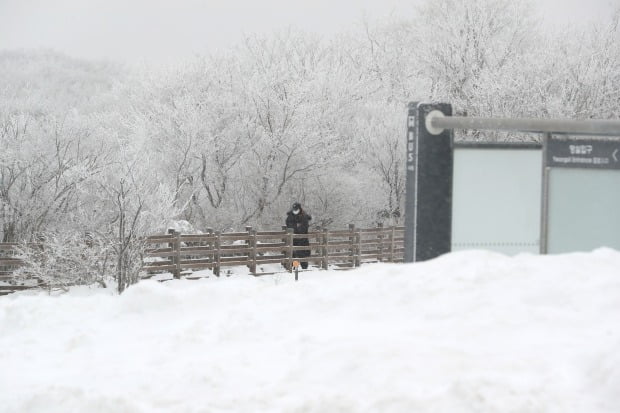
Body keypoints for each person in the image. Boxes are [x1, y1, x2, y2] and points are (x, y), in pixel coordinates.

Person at [285, 202, 312, 269]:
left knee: (303, 254)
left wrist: (297, 228)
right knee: (293, 254)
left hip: (303, 239)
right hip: (293, 239)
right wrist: (295, 228)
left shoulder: (304, 216)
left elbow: (304, 227)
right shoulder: (290, 216)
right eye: (294, 209)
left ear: (299, 209)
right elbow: (289, 225)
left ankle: (304, 269)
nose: (295, 211)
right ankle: (294, 268)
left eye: (296, 209)